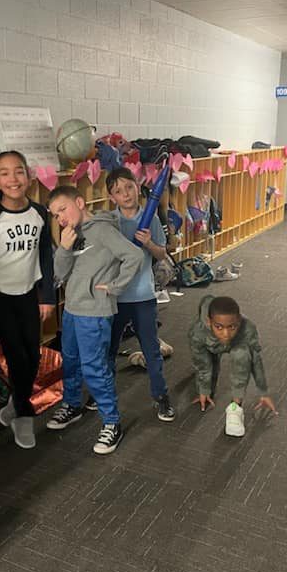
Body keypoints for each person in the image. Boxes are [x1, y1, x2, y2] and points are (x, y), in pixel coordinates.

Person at [46, 185, 143, 454]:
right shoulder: (72, 234)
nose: (60, 218)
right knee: (71, 361)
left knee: (94, 368)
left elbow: (133, 255)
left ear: (79, 202)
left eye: (63, 210)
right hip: (72, 309)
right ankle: (72, 405)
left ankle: (112, 422)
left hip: (94, 312)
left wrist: (115, 287)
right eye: (55, 215)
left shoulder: (102, 230)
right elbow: (59, 274)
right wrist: (64, 248)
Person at [0, 151, 55, 449]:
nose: (13, 178)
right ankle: (24, 415)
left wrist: (47, 296)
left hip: (28, 295)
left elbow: (45, 255)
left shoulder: (39, 212)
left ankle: (15, 402)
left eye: (19, 171)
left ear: (29, 176)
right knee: (16, 356)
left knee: (33, 356)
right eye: (5, 173)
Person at [103, 167, 175, 422]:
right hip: (115, 298)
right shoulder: (109, 222)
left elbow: (161, 253)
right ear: (112, 197)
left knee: (151, 349)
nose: (126, 194)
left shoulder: (150, 217)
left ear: (137, 187)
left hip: (143, 296)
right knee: (109, 348)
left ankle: (161, 396)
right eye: (118, 191)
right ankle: (103, 394)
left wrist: (149, 244)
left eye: (129, 187)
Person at [189, 295, 277, 437]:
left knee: (242, 355)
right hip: (209, 346)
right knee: (210, 372)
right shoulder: (197, 332)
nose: (226, 334)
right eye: (219, 327)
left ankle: (235, 408)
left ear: (239, 321)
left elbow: (255, 360)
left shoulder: (248, 328)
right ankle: (207, 387)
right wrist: (204, 389)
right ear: (209, 322)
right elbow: (202, 365)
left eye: (232, 327)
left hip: (236, 345)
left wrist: (263, 391)